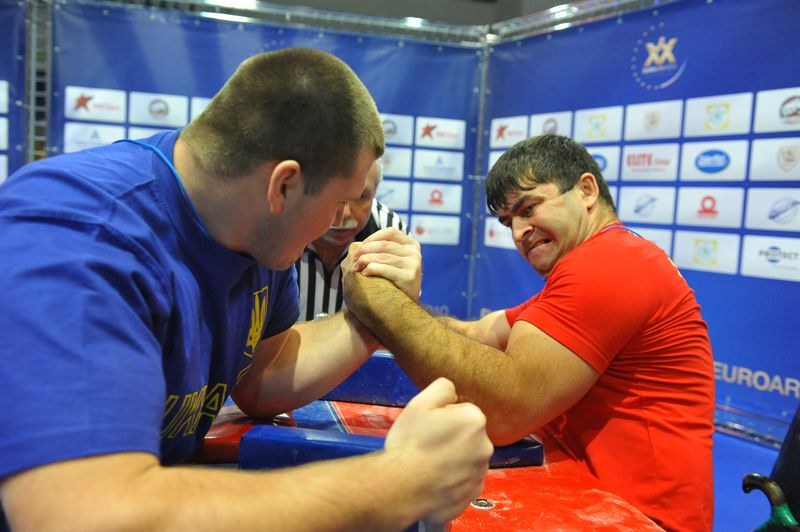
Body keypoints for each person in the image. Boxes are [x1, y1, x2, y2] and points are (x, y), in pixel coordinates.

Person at [0, 47, 493, 530]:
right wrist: (399, 481)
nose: (345, 221)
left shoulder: (254, 231)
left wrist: (373, 318)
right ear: (283, 186)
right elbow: (82, 513)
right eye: (341, 200)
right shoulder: (80, 235)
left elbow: (261, 375)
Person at [343, 134, 716, 531]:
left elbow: (509, 411)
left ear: (586, 190)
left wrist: (382, 304)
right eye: (508, 221)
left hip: (642, 518)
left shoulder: (611, 264)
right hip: (598, 501)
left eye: (529, 207)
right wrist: (392, 311)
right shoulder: (598, 263)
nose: (519, 231)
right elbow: (479, 332)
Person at [295, 160, 408, 321]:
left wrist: (406, 303)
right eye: (332, 193)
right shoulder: (282, 226)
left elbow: (397, 325)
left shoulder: (389, 232)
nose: (345, 213)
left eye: (361, 196)